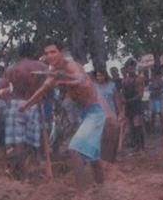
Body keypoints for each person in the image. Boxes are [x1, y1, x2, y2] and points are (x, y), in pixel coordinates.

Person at [25, 41, 105, 189]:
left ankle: (80, 195)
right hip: (82, 114)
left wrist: (65, 77)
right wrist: (26, 105)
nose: (49, 55)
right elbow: (43, 90)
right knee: (93, 156)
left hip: (94, 112)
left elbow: (82, 81)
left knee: (74, 149)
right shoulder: (54, 71)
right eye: (47, 53)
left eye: (53, 52)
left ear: (60, 52)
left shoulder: (71, 66)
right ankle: (102, 187)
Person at [0, 42, 45, 179]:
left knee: (19, 142)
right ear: (33, 52)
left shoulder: (12, 69)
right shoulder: (41, 67)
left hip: (16, 104)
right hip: (35, 103)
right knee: (35, 140)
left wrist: (8, 101)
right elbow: (49, 86)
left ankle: (24, 175)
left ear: (19, 53)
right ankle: (37, 168)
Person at [93, 65, 121, 163]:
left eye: (101, 76)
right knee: (100, 137)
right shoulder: (94, 86)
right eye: (97, 76)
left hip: (111, 114)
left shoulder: (112, 85)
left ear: (105, 75)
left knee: (112, 136)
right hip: (99, 115)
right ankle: (101, 157)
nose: (99, 78)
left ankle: (112, 157)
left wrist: (120, 113)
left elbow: (117, 100)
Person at [147, 65, 163, 133]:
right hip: (152, 99)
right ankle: (152, 129)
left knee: (160, 113)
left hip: (158, 99)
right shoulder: (151, 80)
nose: (151, 73)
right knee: (152, 114)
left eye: (152, 72)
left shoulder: (159, 80)